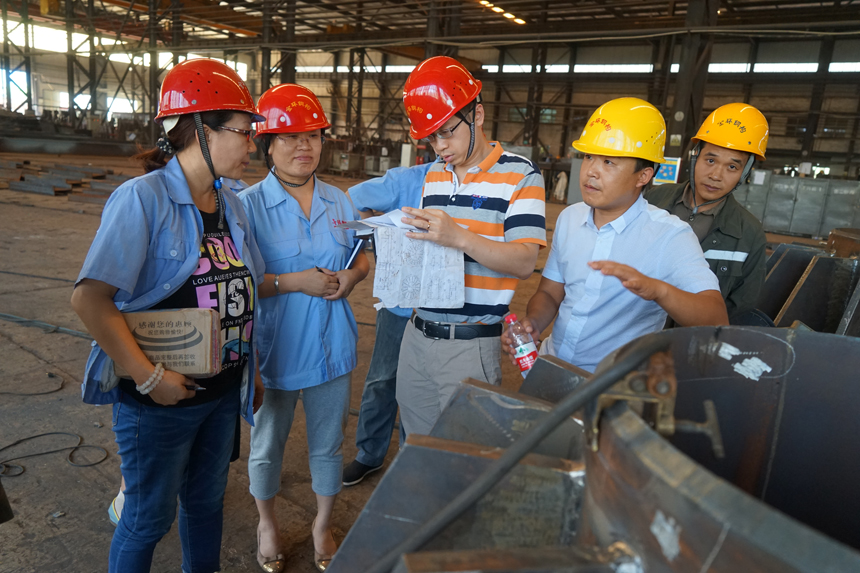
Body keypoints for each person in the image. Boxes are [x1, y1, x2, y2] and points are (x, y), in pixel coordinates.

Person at [70, 58, 265, 573]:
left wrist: (251, 370)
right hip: (159, 403)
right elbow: (90, 299)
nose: (252, 145)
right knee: (147, 519)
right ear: (200, 130)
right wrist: (149, 377)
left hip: (221, 395)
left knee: (205, 506)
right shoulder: (142, 199)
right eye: (243, 132)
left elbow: (242, 294)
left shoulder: (232, 204)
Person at [238, 83, 369, 573]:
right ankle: (266, 523)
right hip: (274, 350)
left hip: (332, 345)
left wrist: (352, 278)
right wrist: (295, 281)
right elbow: (238, 283)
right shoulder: (246, 206)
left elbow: (362, 255)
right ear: (268, 145)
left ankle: (322, 523)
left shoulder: (340, 201)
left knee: (329, 443)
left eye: (312, 135)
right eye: (290, 136)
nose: (303, 146)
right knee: (267, 444)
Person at [502, 97, 728, 373]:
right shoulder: (570, 218)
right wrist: (534, 322)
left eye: (609, 162)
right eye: (588, 157)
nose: (590, 172)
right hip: (552, 365)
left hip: (611, 384)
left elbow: (716, 318)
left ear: (643, 176)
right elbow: (550, 292)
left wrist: (659, 291)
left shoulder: (671, 236)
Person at [396, 56, 547, 436]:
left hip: (469, 345)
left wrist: (458, 236)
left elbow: (524, 261)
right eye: (431, 138)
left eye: (447, 132)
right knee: (416, 448)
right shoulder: (436, 173)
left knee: (464, 455)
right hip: (417, 335)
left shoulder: (520, 175)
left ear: (476, 114)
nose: (440, 146)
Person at [342, 162, 434, 486]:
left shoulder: (475, 186)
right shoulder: (406, 180)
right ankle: (369, 453)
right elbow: (350, 200)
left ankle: (411, 461)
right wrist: (377, 232)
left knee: (422, 390)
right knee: (383, 379)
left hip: (443, 311)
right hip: (399, 306)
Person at [645, 103, 770, 322]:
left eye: (732, 167)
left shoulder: (749, 233)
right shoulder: (652, 201)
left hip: (693, 338)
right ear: (695, 157)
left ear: (744, 174)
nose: (716, 175)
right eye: (710, 160)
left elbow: (740, 307)